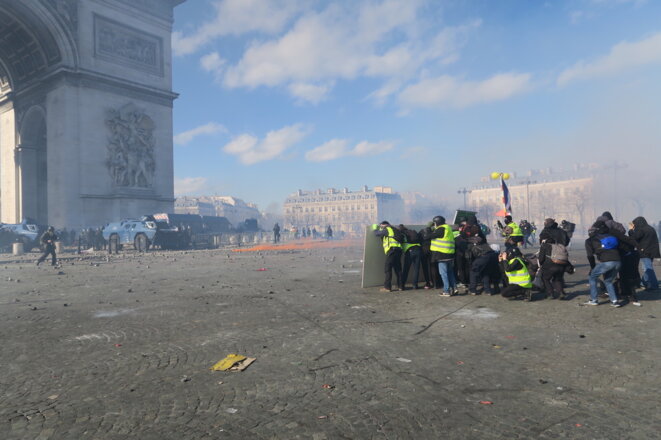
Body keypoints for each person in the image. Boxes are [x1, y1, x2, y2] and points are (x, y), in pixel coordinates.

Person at [584, 220, 637, 307]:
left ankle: (594, 300)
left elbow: (590, 256)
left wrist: (593, 267)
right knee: (608, 281)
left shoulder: (590, 240)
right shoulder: (608, 237)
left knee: (592, 277)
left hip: (607, 262)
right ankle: (614, 301)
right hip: (618, 262)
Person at [629, 216, 660, 291]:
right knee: (647, 267)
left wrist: (630, 230)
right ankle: (643, 283)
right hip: (651, 252)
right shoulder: (650, 228)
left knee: (647, 268)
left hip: (644, 252)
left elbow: (634, 237)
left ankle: (654, 285)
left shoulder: (641, 229)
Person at [429, 216, 456, 296]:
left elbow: (428, 236)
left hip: (442, 255)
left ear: (437, 222)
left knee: (443, 273)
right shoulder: (448, 228)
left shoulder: (441, 229)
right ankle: (454, 288)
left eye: (434, 223)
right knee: (450, 272)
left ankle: (446, 291)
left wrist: (429, 229)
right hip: (449, 254)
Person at [373, 221, 403, 292]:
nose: (381, 227)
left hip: (392, 251)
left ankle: (387, 287)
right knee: (398, 269)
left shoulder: (387, 229)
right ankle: (401, 286)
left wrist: (375, 228)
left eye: (381, 226)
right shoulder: (395, 229)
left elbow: (377, 234)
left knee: (387, 268)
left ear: (384, 225)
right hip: (398, 250)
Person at [399, 225, 422, 289]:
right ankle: (415, 285)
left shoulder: (402, 234)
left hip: (410, 251)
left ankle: (402, 284)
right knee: (416, 269)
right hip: (418, 249)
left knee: (406, 269)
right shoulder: (412, 231)